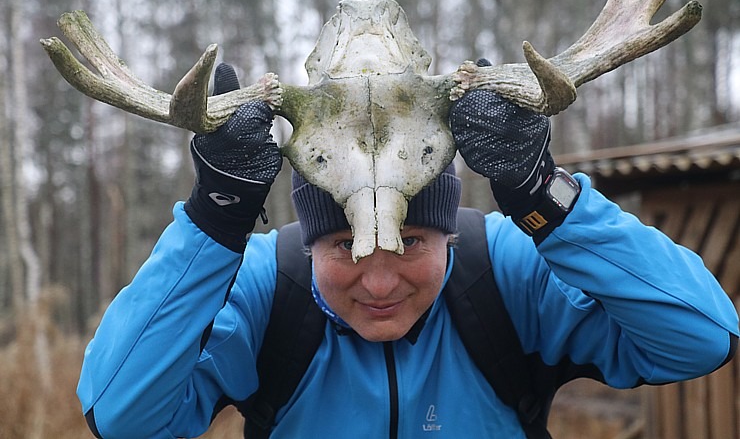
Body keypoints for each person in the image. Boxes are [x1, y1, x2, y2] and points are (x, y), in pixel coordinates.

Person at [77, 61, 739, 439]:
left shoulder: (503, 270)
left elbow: (700, 335)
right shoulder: (260, 283)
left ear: (450, 228)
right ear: (308, 242)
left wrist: (542, 192)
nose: (381, 280)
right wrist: (215, 213)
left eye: (411, 238)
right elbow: (121, 416)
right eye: (344, 244)